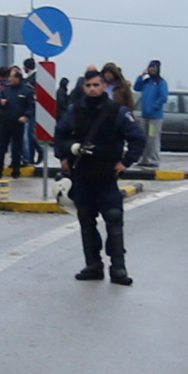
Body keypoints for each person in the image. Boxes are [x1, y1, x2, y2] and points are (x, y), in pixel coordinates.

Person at [62, 66, 147, 284]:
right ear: (83, 87)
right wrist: (66, 153)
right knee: (86, 220)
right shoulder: (74, 111)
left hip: (106, 173)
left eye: (96, 85)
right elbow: (60, 135)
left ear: (104, 86)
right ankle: (93, 265)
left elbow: (137, 138)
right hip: (82, 174)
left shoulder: (117, 112)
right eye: (88, 85)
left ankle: (118, 268)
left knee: (114, 217)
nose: (92, 89)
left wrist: (126, 162)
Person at [133, 61, 171, 171]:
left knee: (152, 138)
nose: (151, 69)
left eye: (154, 67)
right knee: (143, 138)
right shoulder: (147, 82)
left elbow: (163, 97)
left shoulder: (161, 83)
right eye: (150, 67)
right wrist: (141, 75)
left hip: (155, 116)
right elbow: (136, 87)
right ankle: (143, 159)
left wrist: (154, 107)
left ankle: (154, 160)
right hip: (145, 115)